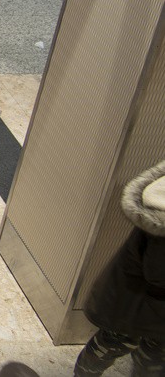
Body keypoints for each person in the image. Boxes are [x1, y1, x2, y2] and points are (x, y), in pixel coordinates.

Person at [74, 159, 165, 377]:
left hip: (153, 303)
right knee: (114, 344)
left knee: (153, 353)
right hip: (134, 300)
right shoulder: (161, 220)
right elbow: (158, 273)